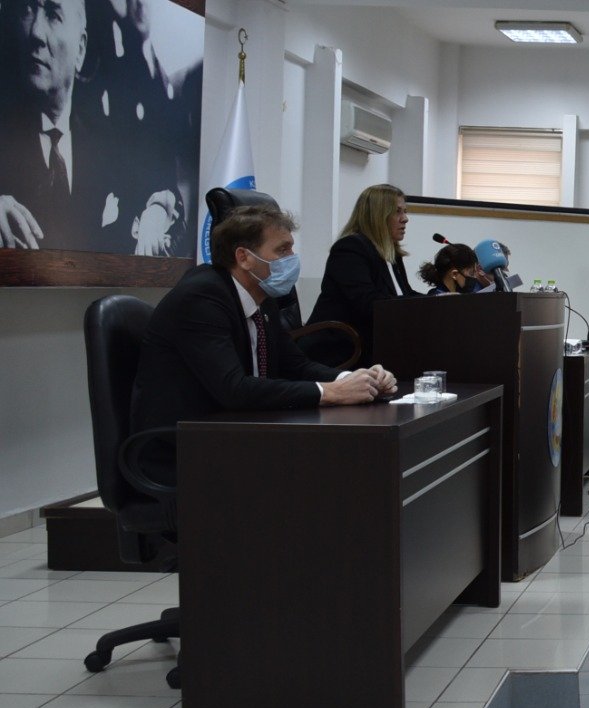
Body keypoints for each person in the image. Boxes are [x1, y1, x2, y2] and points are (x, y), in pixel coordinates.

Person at [130, 205, 397, 491]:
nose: (292, 259)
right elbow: (233, 388)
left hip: (234, 437)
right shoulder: (201, 298)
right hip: (183, 452)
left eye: (291, 248)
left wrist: (356, 380)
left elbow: (296, 365)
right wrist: (330, 392)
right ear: (243, 257)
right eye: (282, 250)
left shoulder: (261, 296)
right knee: (322, 477)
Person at [0, 0, 184, 254]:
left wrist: (157, 211)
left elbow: (164, 193)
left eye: (53, 15)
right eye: (28, 10)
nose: (36, 33)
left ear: (80, 49)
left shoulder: (106, 141)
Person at [307, 183, 417, 366]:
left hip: (375, 341)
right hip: (343, 347)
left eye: (405, 212)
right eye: (397, 212)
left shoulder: (391, 253)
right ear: (377, 215)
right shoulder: (350, 249)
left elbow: (405, 294)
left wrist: (439, 300)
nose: (405, 219)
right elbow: (368, 303)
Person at [418, 243, 489, 295]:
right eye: (471, 273)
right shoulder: (436, 301)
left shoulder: (475, 290)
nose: (474, 278)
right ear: (454, 274)